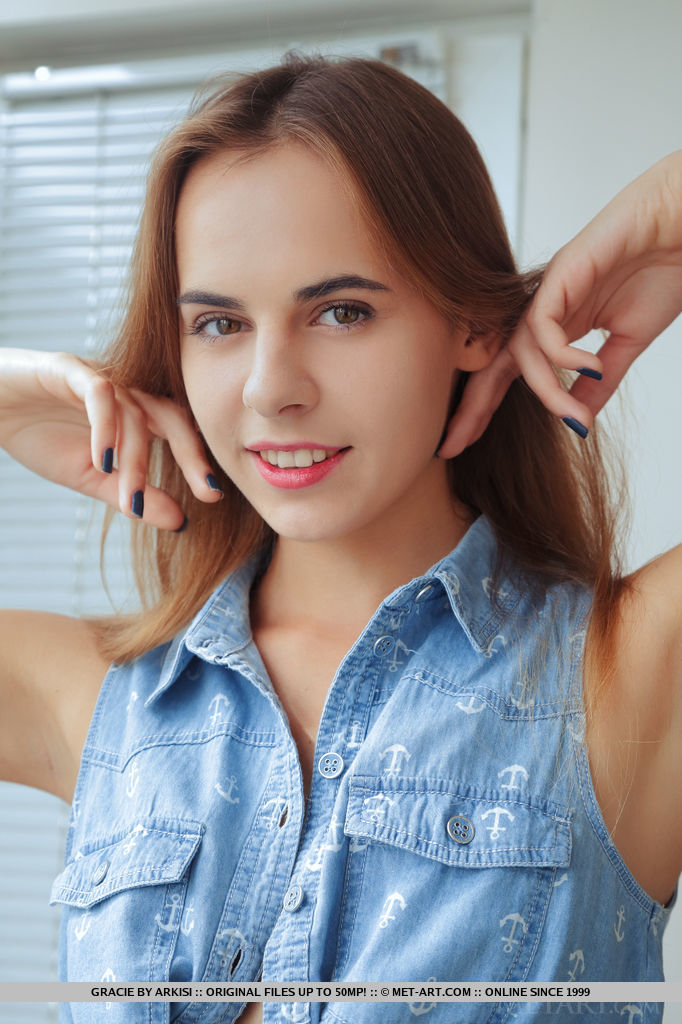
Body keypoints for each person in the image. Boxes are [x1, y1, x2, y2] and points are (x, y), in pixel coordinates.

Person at [0, 51, 680, 1024]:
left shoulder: (622, 677)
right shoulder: (100, 695)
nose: (273, 386)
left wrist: (665, 212)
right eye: (221, 324)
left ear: (473, 325)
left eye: (341, 310)